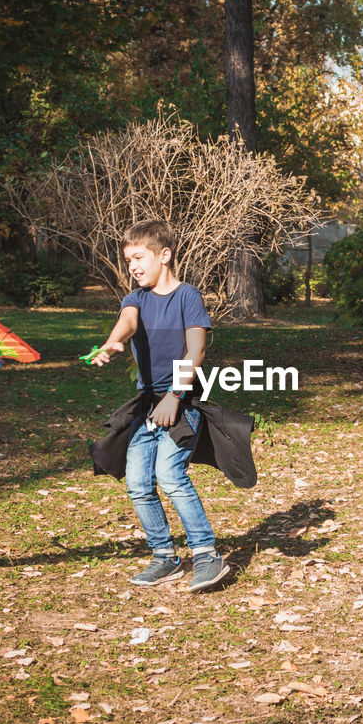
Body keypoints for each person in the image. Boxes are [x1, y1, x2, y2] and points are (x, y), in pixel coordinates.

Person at [90, 219, 230, 592]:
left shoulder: (188, 296)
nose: (132, 266)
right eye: (128, 260)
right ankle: (165, 556)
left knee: (170, 475)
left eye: (138, 257)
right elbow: (127, 321)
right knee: (137, 481)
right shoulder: (135, 298)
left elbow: (197, 351)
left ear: (164, 256)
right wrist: (112, 342)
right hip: (149, 406)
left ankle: (205, 553)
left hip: (183, 400)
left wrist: (174, 397)